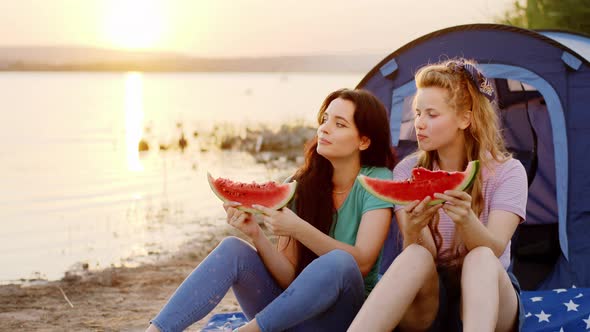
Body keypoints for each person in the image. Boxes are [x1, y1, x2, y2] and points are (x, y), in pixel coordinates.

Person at [146, 88, 396, 332]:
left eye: (339, 124)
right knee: (232, 248)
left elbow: (361, 263)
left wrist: (298, 228)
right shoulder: (301, 185)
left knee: (340, 262)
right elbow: (288, 278)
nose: (324, 128)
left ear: (363, 141)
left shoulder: (377, 181)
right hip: (289, 317)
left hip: (343, 320)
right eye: (325, 119)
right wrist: (256, 234)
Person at [348, 59, 528, 332]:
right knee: (414, 256)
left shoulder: (508, 172)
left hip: (491, 296)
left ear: (465, 118)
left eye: (432, 115)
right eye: (418, 113)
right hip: (432, 299)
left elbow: (496, 248)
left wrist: (467, 220)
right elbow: (422, 251)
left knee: (480, 258)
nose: (419, 123)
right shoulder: (407, 170)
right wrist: (415, 228)